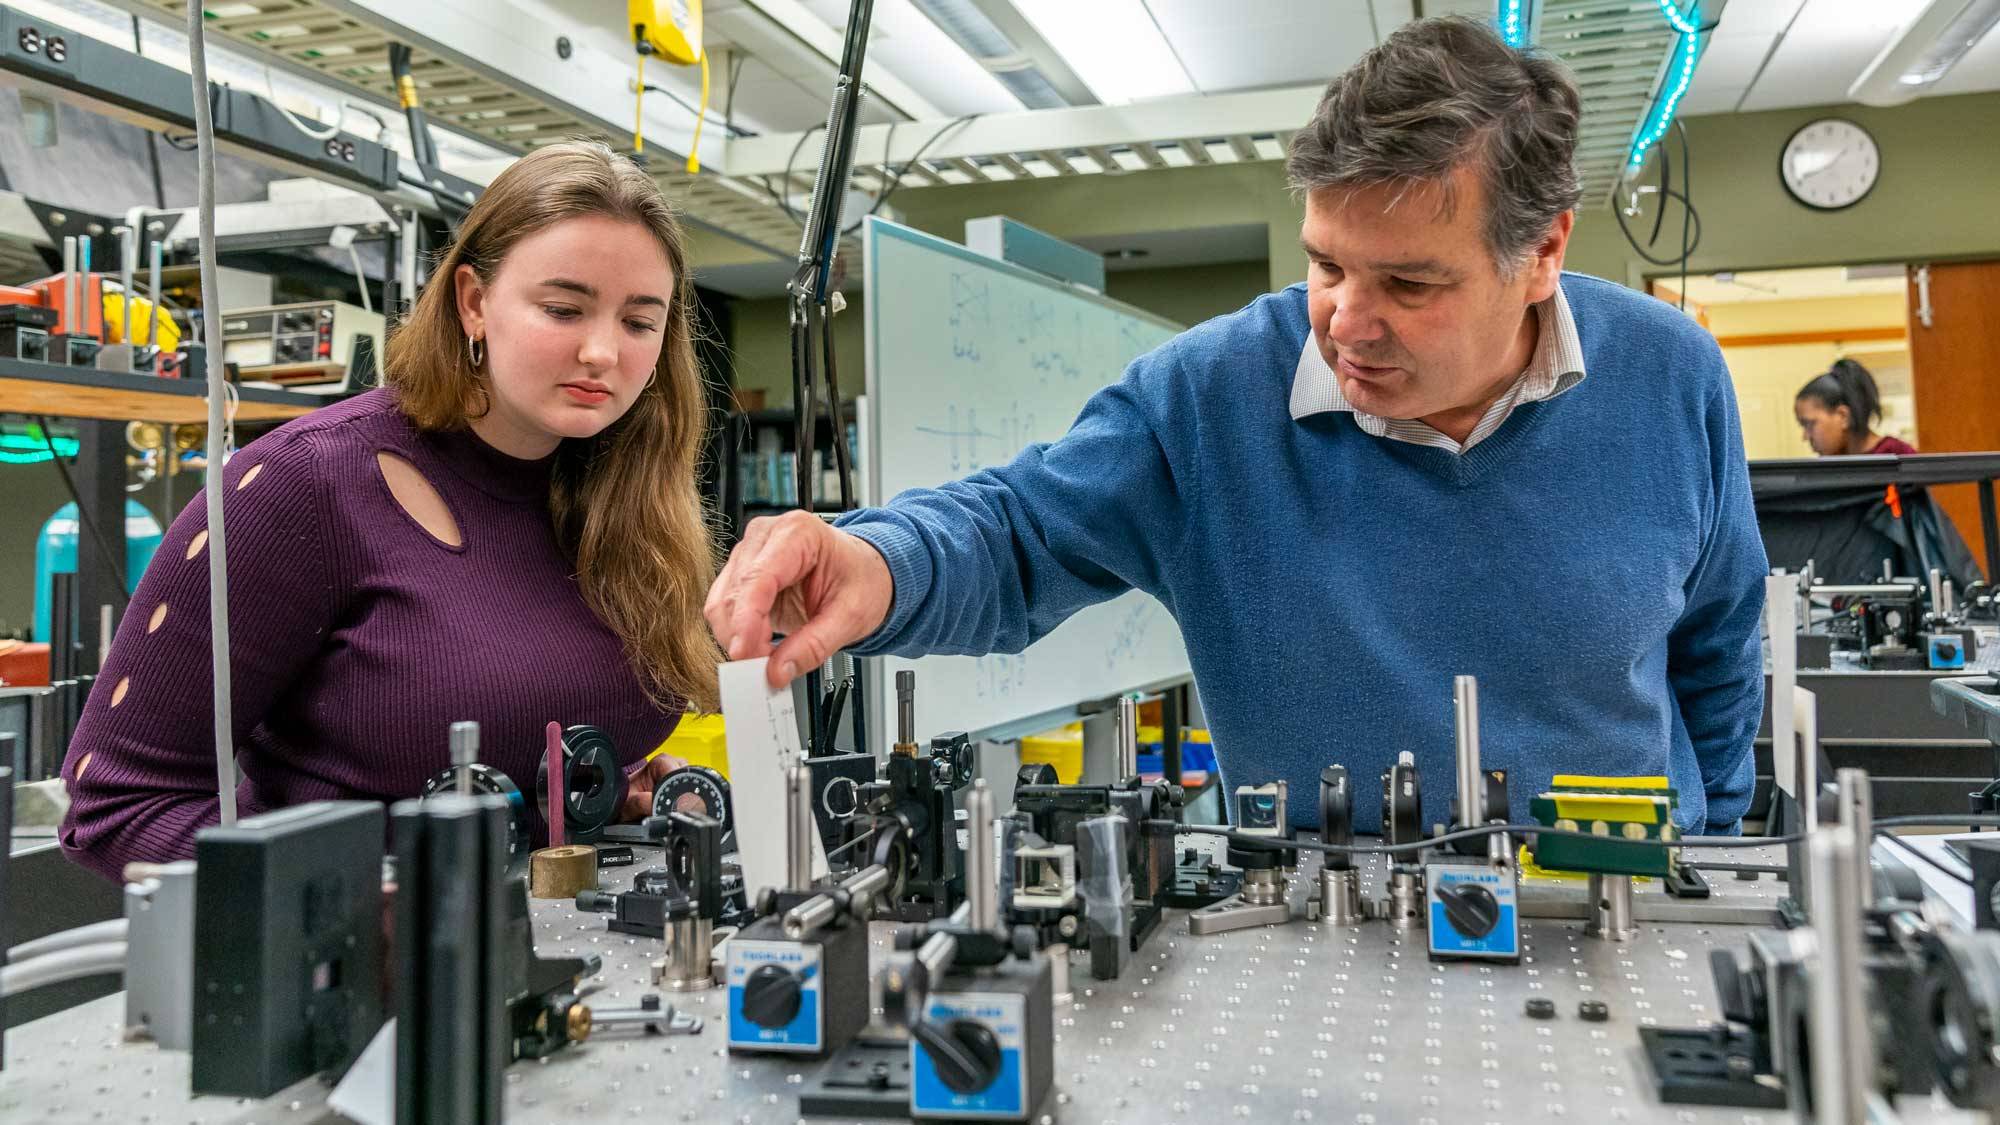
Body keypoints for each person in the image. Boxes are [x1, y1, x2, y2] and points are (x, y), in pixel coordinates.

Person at [705, 17, 1769, 836]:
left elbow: (1719, 643)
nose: (1345, 321)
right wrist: (875, 562)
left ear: (1541, 254)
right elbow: (1016, 533)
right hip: (1325, 919)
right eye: (1325, 264)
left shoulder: (1668, 375)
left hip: (1618, 899)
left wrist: (1717, 846)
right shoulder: (1209, 396)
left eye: (1408, 282)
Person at [59, 141, 721, 880]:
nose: (602, 351)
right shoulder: (303, 485)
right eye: (563, 309)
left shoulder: (626, 495)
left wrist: (608, 791)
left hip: (562, 939)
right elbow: (116, 805)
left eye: (639, 322)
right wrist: (365, 901)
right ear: (473, 302)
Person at [1795, 358, 1916, 456]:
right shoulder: (1830, 463)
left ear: (1843, 416)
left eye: (1809, 424)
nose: (1805, 437)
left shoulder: (1898, 456)